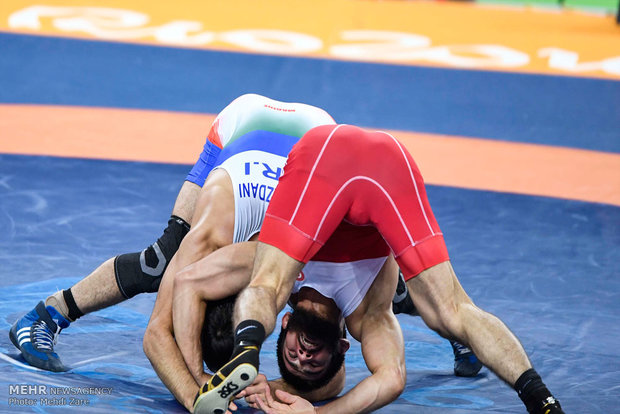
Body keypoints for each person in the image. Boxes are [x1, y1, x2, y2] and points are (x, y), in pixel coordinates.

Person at [198, 124, 564, 414]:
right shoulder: (366, 314)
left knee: (267, 285)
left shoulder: (284, 287)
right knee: (452, 312)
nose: (304, 355)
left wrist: (234, 359)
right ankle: (542, 400)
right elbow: (391, 379)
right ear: (342, 347)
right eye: (311, 362)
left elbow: (196, 283)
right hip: (387, 165)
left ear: (285, 324)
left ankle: (245, 350)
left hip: (322, 156)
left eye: (293, 355)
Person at [8, 93, 336, 373]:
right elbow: (156, 336)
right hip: (275, 129)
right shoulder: (215, 244)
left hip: (299, 135)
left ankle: (51, 314)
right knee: (162, 260)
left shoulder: (298, 266)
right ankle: (48, 315)